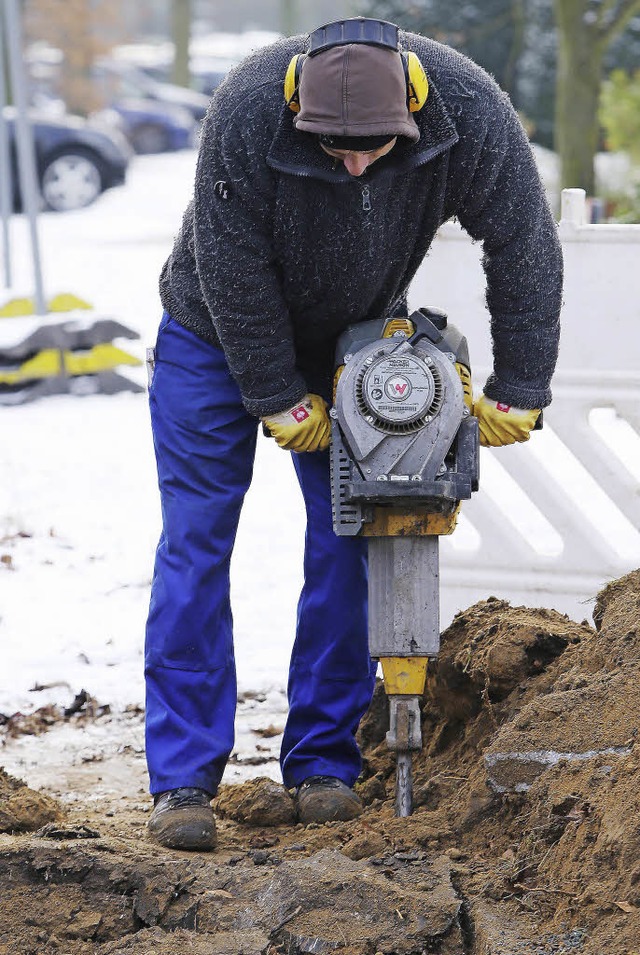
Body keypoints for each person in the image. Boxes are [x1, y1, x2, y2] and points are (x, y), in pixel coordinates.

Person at [144, 17, 562, 850]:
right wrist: (274, 393)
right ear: (299, 104)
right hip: (211, 333)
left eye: (374, 149)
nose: (356, 165)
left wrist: (522, 382)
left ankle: (324, 762)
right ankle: (184, 778)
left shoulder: (471, 110)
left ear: (412, 103)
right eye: (337, 150)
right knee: (197, 540)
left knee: (348, 538)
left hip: (353, 340)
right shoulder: (249, 106)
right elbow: (230, 260)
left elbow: (522, 241)